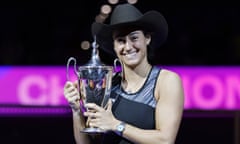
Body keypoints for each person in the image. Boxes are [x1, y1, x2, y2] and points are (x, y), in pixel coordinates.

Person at [64, 3, 184, 144]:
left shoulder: (166, 81)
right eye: (121, 40)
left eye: (134, 38)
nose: (128, 47)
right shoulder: (108, 85)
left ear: (147, 39)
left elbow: (165, 140)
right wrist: (77, 111)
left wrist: (116, 125)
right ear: (114, 46)